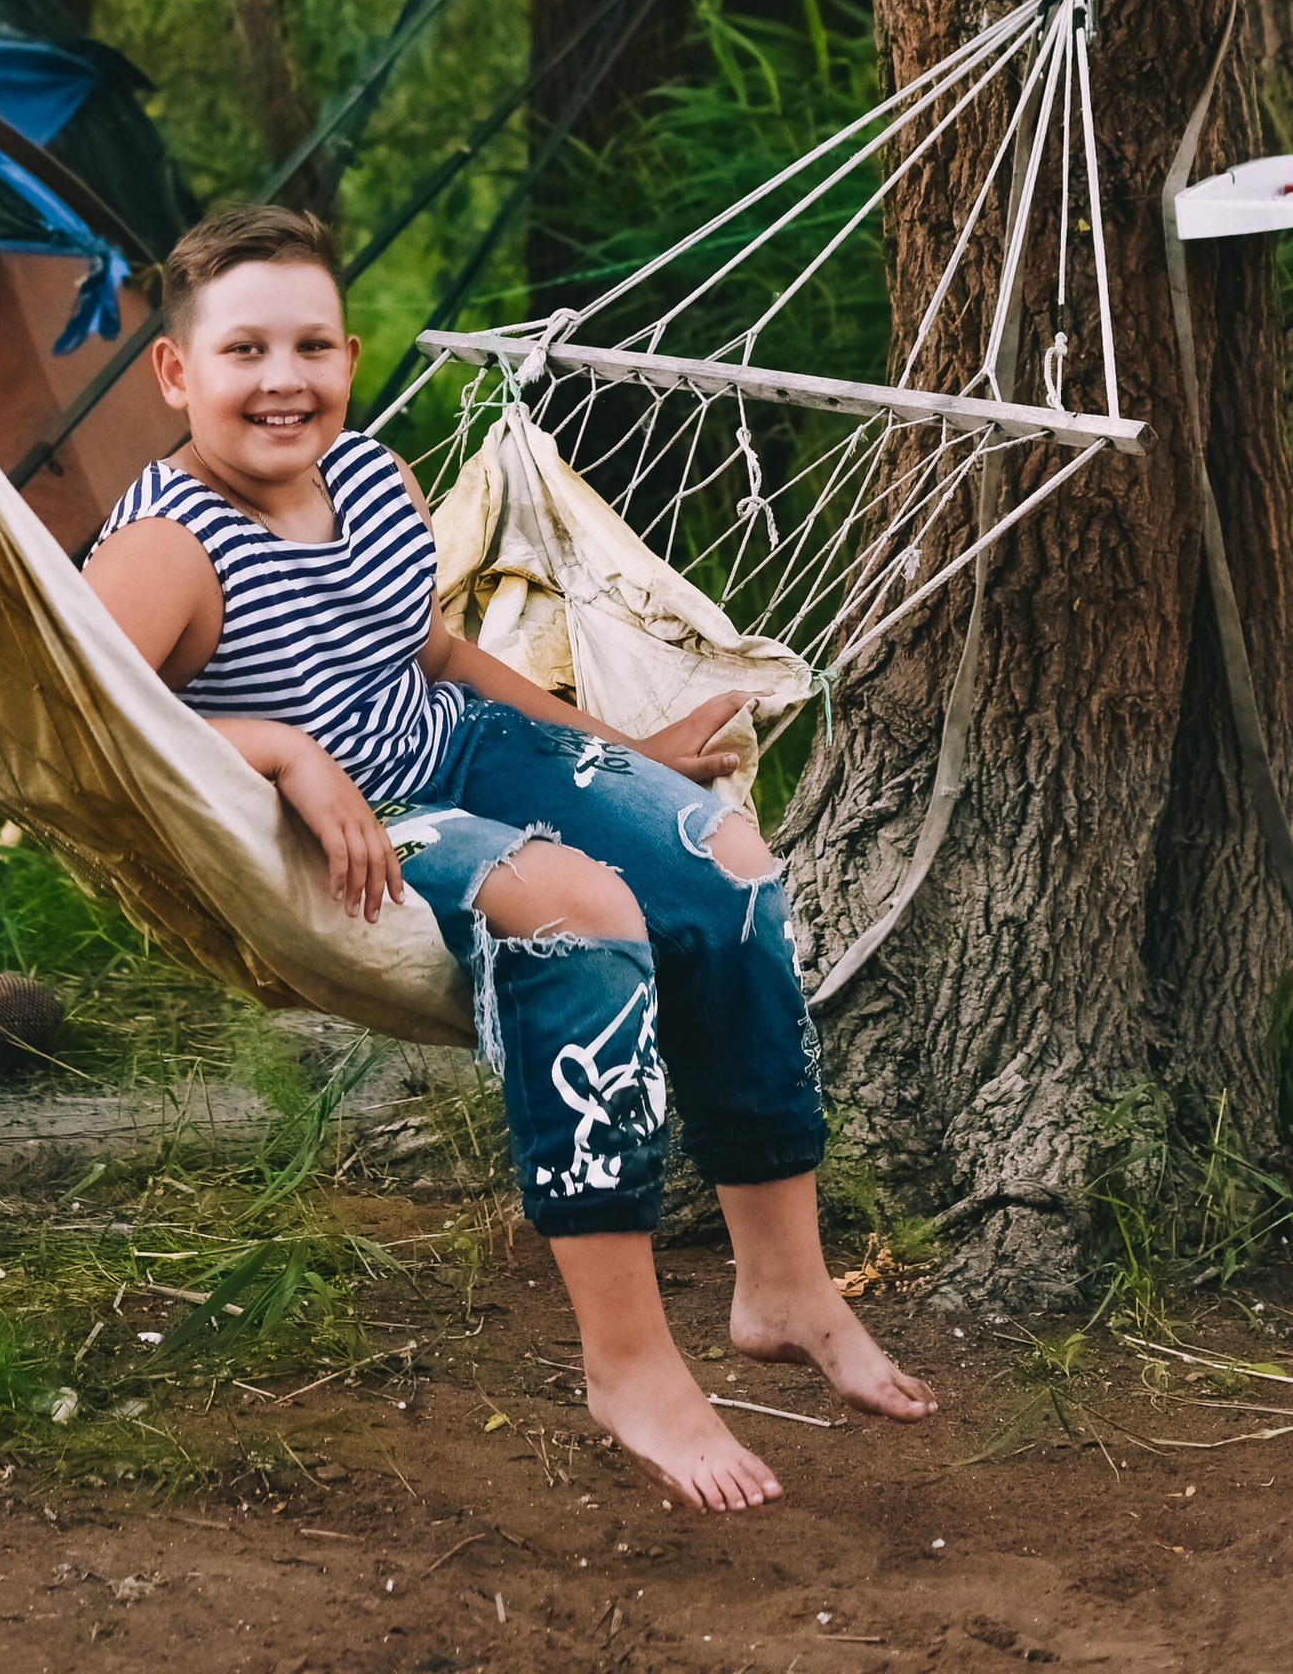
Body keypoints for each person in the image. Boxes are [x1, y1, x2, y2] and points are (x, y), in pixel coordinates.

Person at [83, 200, 934, 1515]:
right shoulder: (163, 551)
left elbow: (434, 655)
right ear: (176, 371)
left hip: (461, 749)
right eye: (244, 351)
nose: (282, 381)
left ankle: (785, 1287)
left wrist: (628, 751)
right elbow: (92, 734)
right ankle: (630, 1364)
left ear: (349, 359)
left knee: (723, 858)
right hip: (336, 824)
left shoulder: (370, 478)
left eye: (311, 346)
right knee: (579, 913)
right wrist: (288, 756)